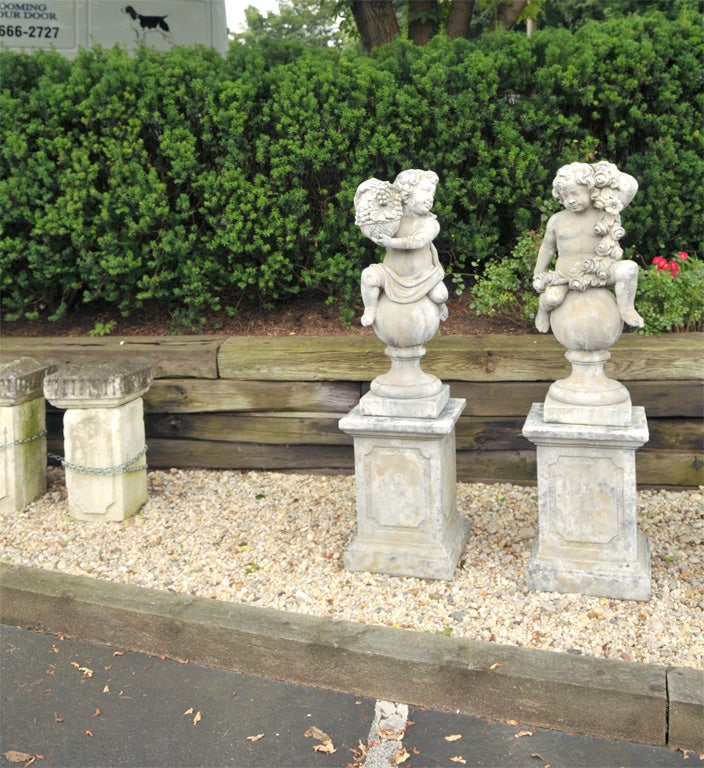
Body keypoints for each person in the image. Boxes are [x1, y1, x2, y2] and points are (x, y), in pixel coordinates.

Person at [532, 161, 644, 333]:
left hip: (600, 272)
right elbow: (547, 248)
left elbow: (630, 186)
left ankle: (626, 308)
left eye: (576, 193)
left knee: (629, 269)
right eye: (565, 196)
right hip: (565, 276)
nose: (570, 200)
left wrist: (596, 169)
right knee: (553, 299)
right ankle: (543, 310)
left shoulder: (605, 213)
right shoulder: (557, 220)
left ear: (590, 189)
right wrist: (538, 273)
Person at [358, 169, 448, 327]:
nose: (430, 198)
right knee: (368, 276)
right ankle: (370, 309)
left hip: (423, 276)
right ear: (406, 193)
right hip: (391, 273)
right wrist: (360, 192)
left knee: (441, 295)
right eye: (426, 191)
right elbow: (365, 218)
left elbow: (418, 241)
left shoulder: (431, 223)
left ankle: (440, 306)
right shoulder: (392, 218)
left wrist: (390, 242)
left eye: (432, 195)